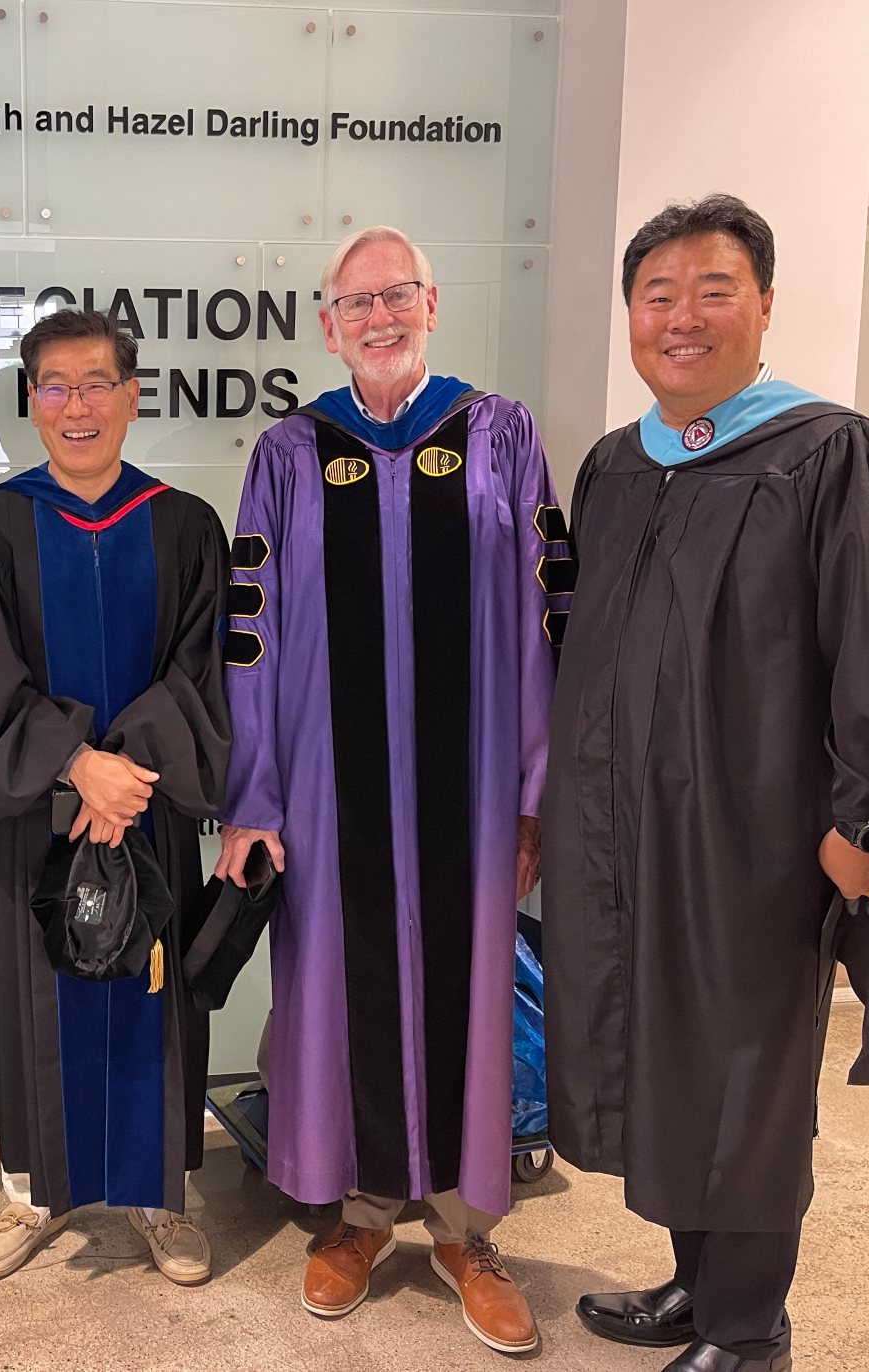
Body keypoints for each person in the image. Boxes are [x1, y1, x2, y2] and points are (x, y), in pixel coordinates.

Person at [542, 195, 869, 1372]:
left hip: (755, 841)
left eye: (710, 290)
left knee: (743, 1073)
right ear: (629, 316)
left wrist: (858, 820)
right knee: (657, 1054)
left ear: (763, 304)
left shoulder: (830, 453)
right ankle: (691, 1278)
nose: (680, 317)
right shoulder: (617, 466)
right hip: (620, 830)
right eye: (656, 295)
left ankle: (747, 1325)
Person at [216, 225, 564, 1356]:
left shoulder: (501, 434)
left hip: (466, 783)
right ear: (325, 325)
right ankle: (360, 1214)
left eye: (395, 295)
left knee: (465, 984)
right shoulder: (285, 453)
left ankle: (465, 1230)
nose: (376, 315)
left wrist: (532, 789)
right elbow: (250, 637)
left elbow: (546, 614)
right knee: (337, 986)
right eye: (354, 302)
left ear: (429, 304)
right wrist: (254, 793)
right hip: (328, 783)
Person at [0, 308, 232, 1286]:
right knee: (38, 1002)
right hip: (37, 828)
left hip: (146, 819)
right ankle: (35, 1195)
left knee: (152, 1000)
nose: (75, 404)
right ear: (29, 402)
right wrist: (75, 764)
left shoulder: (185, 525)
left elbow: (203, 677)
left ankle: (155, 1198)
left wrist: (124, 773)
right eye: (54, 386)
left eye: (95, 382)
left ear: (131, 394)